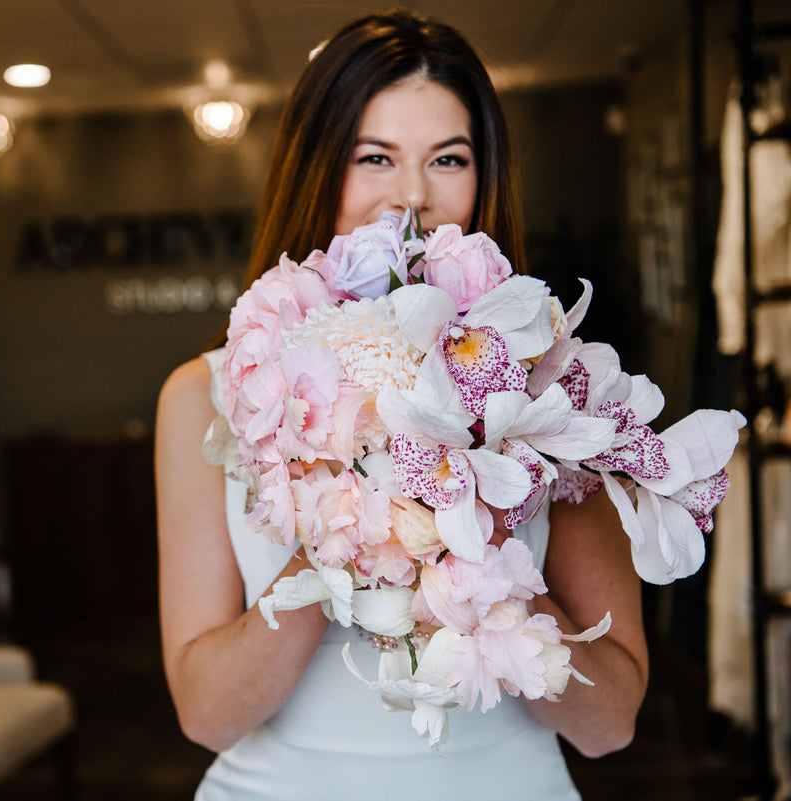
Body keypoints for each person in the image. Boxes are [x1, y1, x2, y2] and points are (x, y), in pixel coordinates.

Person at [154, 9, 648, 800]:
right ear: (317, 170)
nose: (412, 197)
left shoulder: (555, 387)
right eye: (374, 157)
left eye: (448, 158)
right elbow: (206, 715)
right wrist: (350, 517)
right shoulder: (203, 395)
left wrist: (467, 545)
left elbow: (613, 720)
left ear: (485, 177)